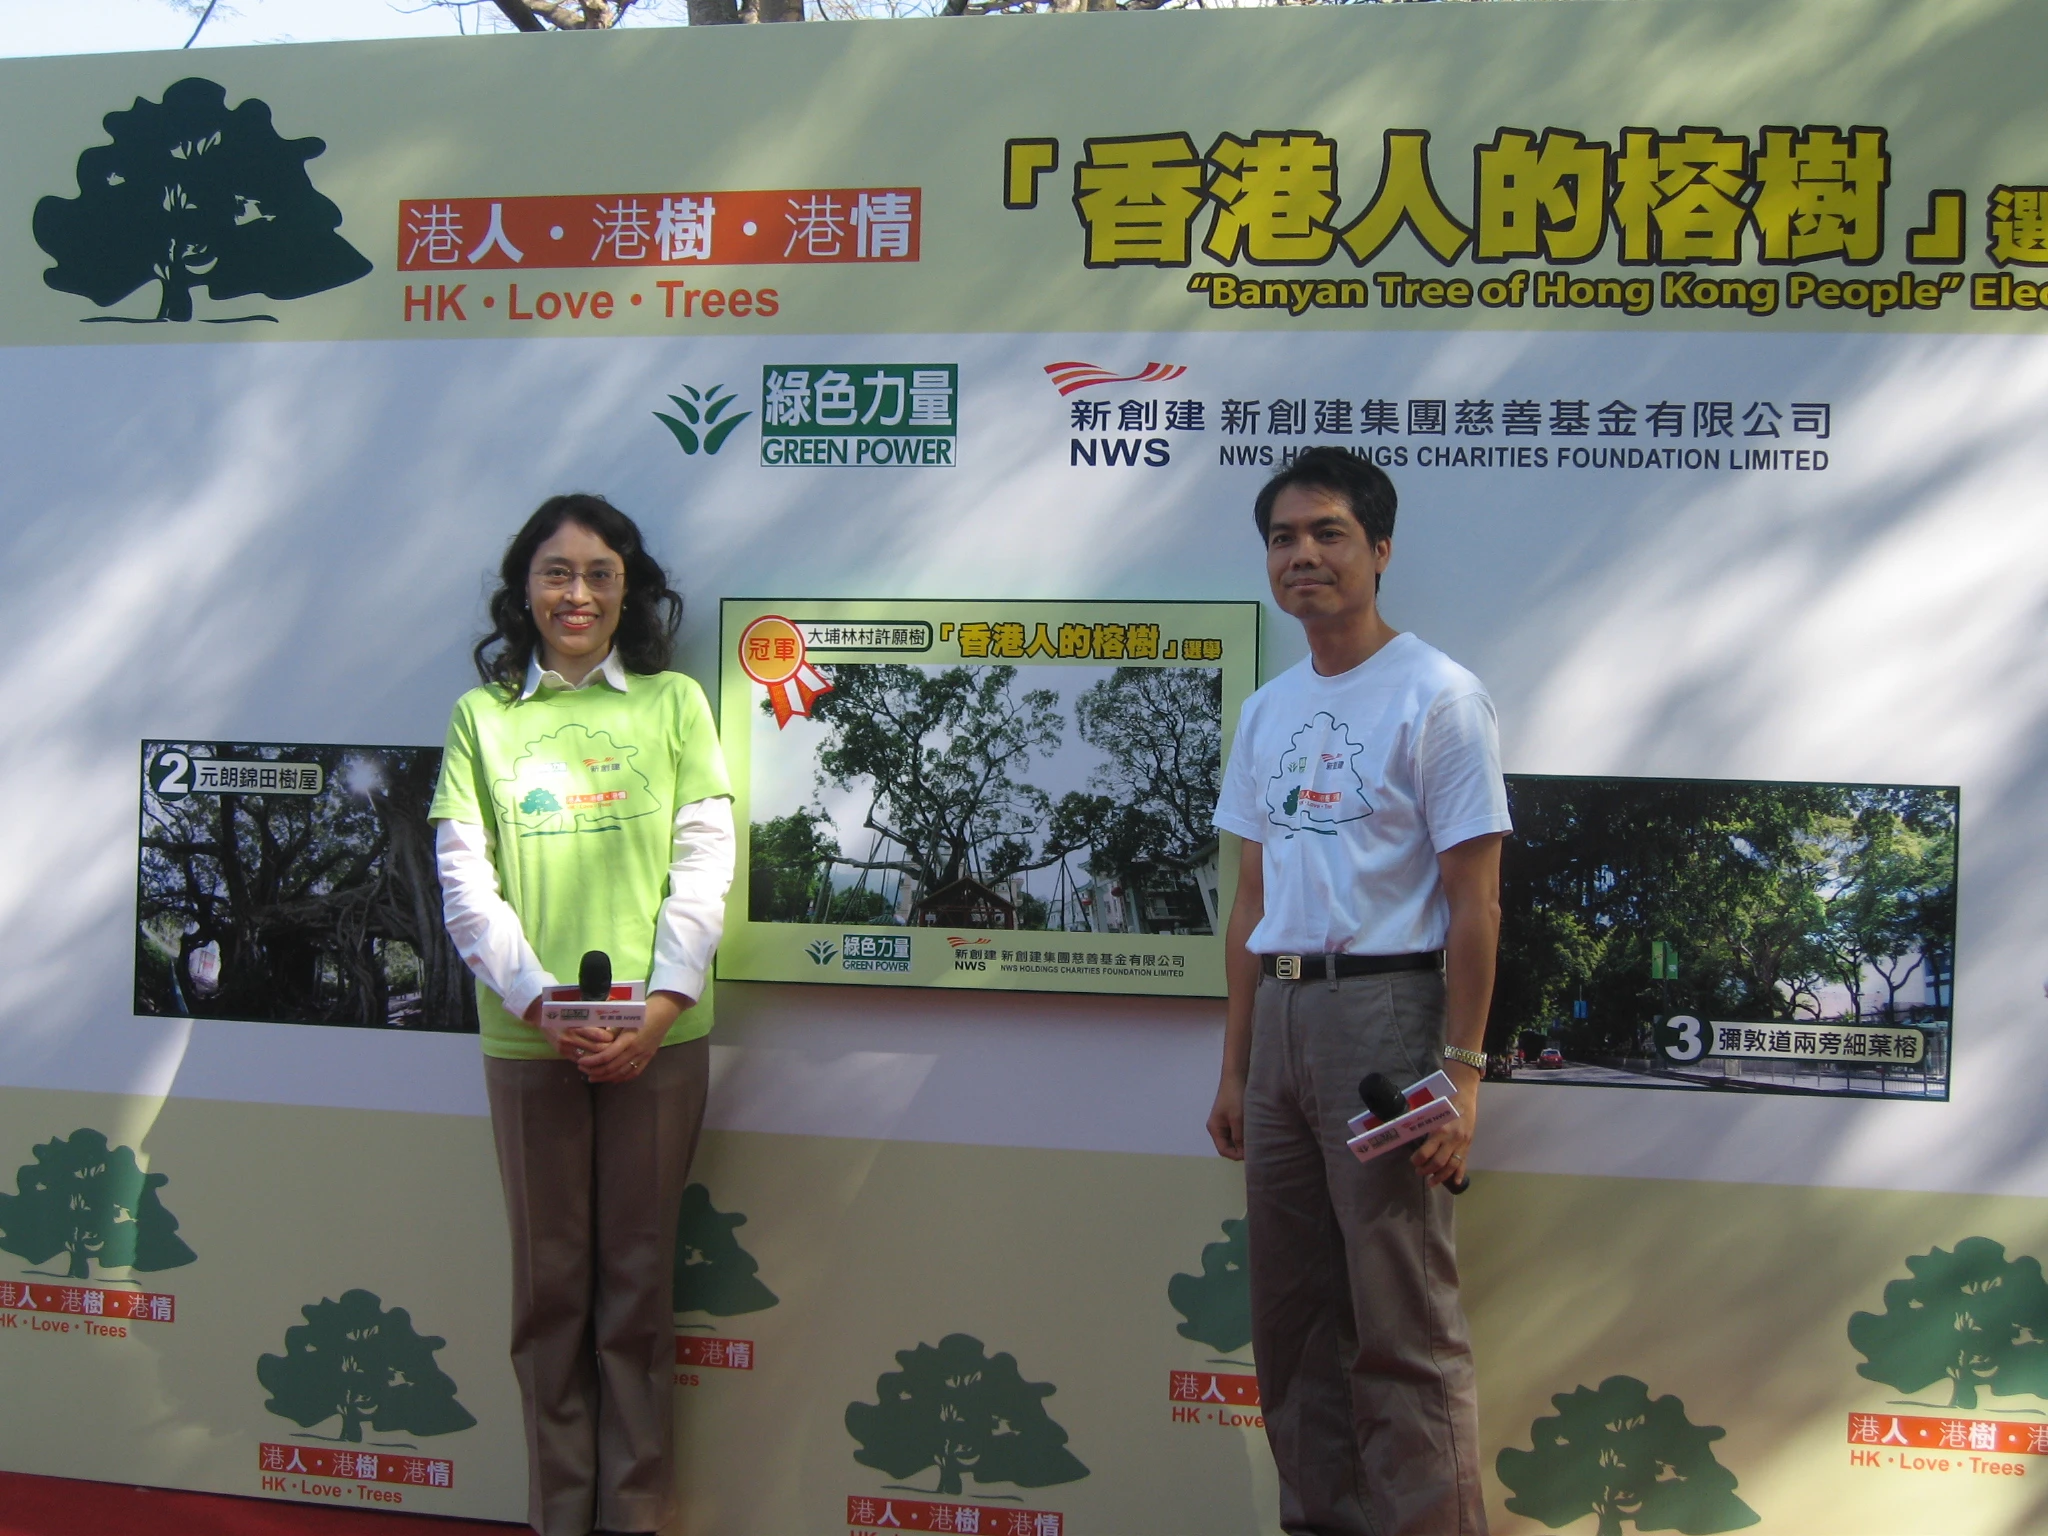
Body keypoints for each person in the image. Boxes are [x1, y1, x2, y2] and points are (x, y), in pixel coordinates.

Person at [1206, 447, 1510, 1536]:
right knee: (1290, 1326)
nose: (1303, 557)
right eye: (1283, 539)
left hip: (1385, 1023)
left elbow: (1474, 904)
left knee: (1398, 1325)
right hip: (1282, 1018)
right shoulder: (1269, 708)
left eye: (1327, 534)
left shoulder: (1438, 695)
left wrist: (1462, 1076)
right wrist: (1236, 1066)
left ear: (1379, 551)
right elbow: (1249, 901)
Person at [429, 493, 734, 1536]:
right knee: (550, 1292)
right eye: (557, 572)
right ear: (523, 589)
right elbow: (465, 881)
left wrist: (658, 1007)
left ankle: (635, 1516)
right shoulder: (484, 719)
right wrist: (540, 1002)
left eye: (600, 574)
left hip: (660, 1041)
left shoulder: (673, 706)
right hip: (530, 1040)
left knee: (637, 1288)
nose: (578, 593)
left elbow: (704, 864)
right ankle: (561, 1515)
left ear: (629, 592)